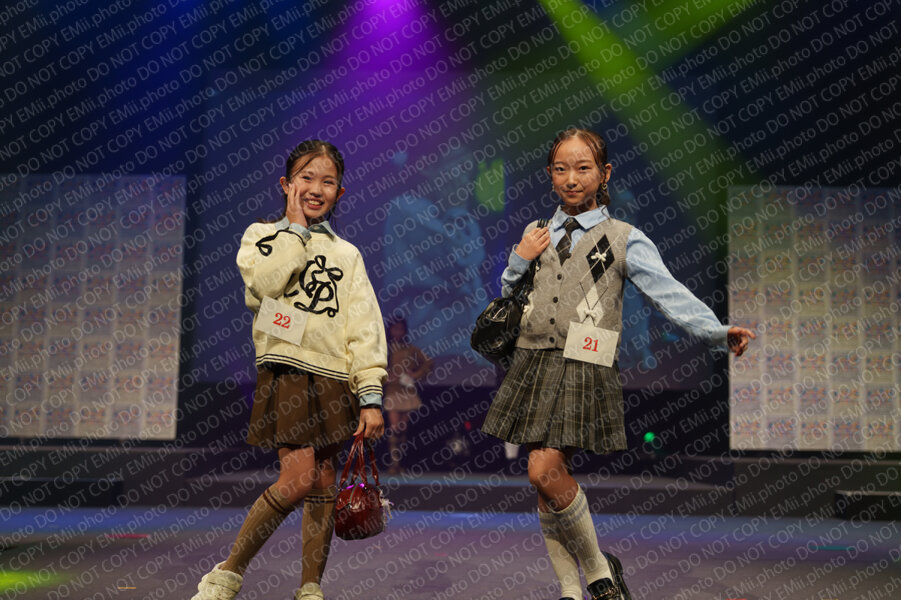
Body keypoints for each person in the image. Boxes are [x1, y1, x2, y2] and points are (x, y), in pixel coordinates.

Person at [481, 128, 755, 600]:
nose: (571, 179)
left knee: (543, 470)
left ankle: (599, 572)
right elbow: (509, 294)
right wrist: (519, 258)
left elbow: (668, 292)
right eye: (561, 169)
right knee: (546, 480)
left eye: (583, 168)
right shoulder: (536, 233)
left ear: (604, 173)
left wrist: (717, 331)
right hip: (533, 361)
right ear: (549, 175)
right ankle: (571, 591)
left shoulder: (625, 238)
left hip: (583, 364)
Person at [191, 140, 387, 600]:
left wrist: (370, 394)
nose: (316, 189)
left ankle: (310, 588)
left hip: (335, 377)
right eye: (306, 178)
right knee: (297, 479)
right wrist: (295, 230)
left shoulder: (348, 254)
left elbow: (364, 327)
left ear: (340, 192)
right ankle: (227, 574)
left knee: (323, 481)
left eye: (328, 182)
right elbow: (266, 284)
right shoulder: (260, 236)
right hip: (288, 372)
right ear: (286, 184)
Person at [383, 316, 433, 473]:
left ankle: (400, 462)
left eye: (401, 329)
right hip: (392, 391)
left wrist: (415, 375)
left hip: (407, 391)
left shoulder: (410, 349)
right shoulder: (384, 349)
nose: (398, 332)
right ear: (390, 330)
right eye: (395, 329)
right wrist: (385, 377)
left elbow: (428, 362)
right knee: (394, 427)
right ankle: (394, 463)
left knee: (403, 428)